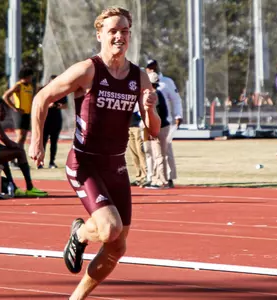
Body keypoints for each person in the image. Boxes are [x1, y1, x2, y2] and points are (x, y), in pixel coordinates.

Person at [28, 7, 160, 300]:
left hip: (115, 166)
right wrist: (36, 141)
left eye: (124, 31)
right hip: (84, 162)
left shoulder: (138, 77)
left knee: (117, 246)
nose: (119, 37)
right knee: (110, 228)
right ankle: (79, 235)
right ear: (100, 34)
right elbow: (42, 98)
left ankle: (76, 297)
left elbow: (152, 131)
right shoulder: (88, 70)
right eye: (113, 31)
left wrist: (150, 108)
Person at [0, 102, 48, 197]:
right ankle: (29, 187)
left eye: (5, 111)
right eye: (2, 111)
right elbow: (6, 141)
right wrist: (17, 146)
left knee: (4, 154)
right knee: (20, 152)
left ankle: (13, 186)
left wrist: (3, 147)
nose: (5, 113)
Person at [146, 59, 182, 187]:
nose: (151, 68)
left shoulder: (166, 83)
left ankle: (166, 178)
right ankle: (153, 177)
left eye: (152, 66)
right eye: (148, 66)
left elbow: (175, 100)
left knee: (164, 152)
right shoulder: (148, 86)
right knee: (152, 152)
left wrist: (178, 115)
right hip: (155, 123)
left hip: (162, 123)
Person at [144, 72, 171, 189]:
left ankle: (162, 181)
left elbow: (157, 114)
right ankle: (157, 178)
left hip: (160, 127)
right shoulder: (157, 93)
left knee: (159, 155)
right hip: (162, 126)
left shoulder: (154, 95)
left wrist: (153, 129)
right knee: (157, 154)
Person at [2, 67, 35, 149]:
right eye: (30, 76)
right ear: (26, 76)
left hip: (27, 113)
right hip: (19, 113)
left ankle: (20, 157)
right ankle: (12, 156)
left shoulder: (30, 86)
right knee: (19, 136)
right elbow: (5, 96)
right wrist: (15, 108)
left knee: (23, 137)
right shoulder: (18, 86)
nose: (31, 78)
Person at [41, 75, 68, 169]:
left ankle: (52, 162)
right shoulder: (43, 90)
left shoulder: (62, 91)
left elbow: (66, 105)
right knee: (43, 141)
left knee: (54, 142)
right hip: (45, 119)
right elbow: (38, 103)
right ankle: (40, 162)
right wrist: (49, 105)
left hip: (56, 120)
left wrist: (60, 106)